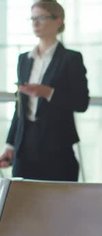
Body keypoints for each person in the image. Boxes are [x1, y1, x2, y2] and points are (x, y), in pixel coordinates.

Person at [0, 0, 89, 181]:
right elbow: (20, 109)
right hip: (25, 148)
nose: (35, 23)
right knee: (23, 204)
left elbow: (81, 102)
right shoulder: (24, 59)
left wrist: (48, 93)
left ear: (58, 20)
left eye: (41, 17)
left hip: (57, 148)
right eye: (32, 18)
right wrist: (10, 145)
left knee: (58, 205)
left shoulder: (71, 59)